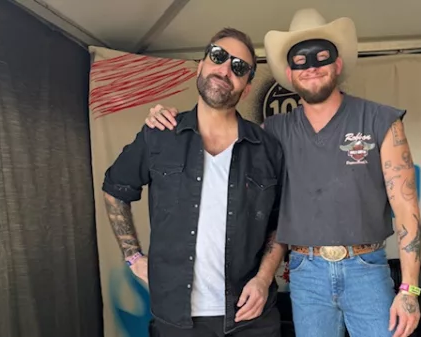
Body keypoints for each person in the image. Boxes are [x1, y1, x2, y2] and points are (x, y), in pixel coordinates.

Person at [145, 8, 421, 337]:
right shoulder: (273, 131)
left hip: (367, 268)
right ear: (290, 74)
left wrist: (410, 290)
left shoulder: (381, 120)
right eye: (300, 61)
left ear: (338, 64)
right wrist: (168, 120)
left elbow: (406, 206)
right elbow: (218, 130)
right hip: (305, 272)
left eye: (321, 57)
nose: (312, 68)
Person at [102, 27, 286, 337]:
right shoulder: (159, 134)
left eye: (239, 67)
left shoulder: (267, 148)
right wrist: (133, 257)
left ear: (248, 85)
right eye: (218, 57)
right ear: (201, 65)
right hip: (176, 318)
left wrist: (263, 278)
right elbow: (115, 188)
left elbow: (281, 222)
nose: (226, 69)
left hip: (250, 317)